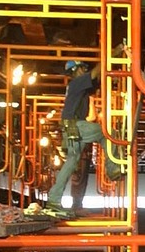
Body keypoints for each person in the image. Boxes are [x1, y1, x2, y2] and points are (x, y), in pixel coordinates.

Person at [44, 60, 120, 217]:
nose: (85, 70)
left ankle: (53, 199)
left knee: (71, 162)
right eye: (82, 68)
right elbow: (95, 72)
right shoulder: (77, 82)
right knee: (109, 132)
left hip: (70, 126)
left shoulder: (80, 87)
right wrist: (112, 55)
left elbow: (96, 81)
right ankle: (112, 169)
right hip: (76, 125)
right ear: (75, 70)